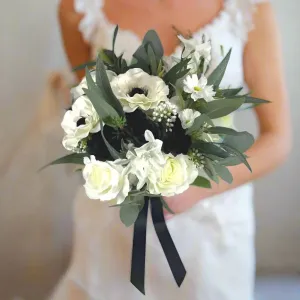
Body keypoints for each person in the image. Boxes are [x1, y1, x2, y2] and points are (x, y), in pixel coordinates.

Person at [2, 0, 290, 299]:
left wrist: (195, 190)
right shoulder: (80, 9)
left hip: (212, 221)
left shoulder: (247, 9)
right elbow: (92, 109)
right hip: (114, 215)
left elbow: (278, 139)